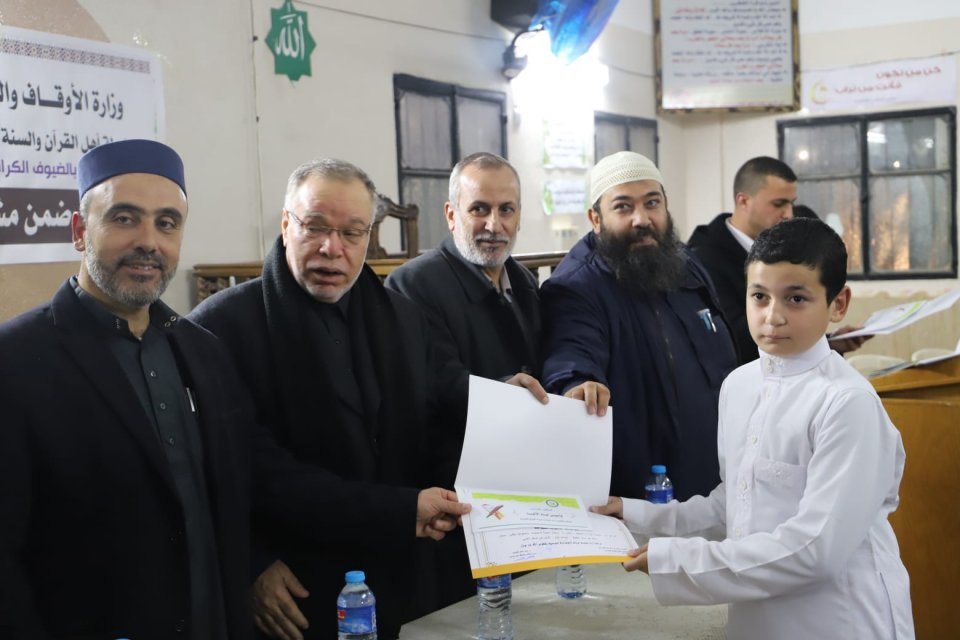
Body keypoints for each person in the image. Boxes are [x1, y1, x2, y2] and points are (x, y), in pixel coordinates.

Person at [0, 140, 468, 640]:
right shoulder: (17, 360)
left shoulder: (194, 349)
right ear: (79, 231)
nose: (148, 242)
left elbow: (232, 479)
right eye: (124, 219)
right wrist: (254, 565)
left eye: (166, 223)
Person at [190, 158, 517, 640]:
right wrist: (250, 564)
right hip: (295, 589)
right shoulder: (219, 328)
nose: (332, 248)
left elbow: (436, 414)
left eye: (351, 232)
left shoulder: (401, 318)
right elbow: (243, 472)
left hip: (398, 572)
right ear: (286, 224)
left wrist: (506, 411)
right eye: (315, 227)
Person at [594, 217, 915, 640]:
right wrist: (633, 515)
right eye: (759, 296)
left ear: (838, 304)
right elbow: (733, 506)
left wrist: (678, 560)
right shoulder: (739, 385)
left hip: (841, 619)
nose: (772, 317)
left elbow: (815, 550)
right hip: (758, 620)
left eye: (796, 298)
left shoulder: (847, 403)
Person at [540, 151, 737, 501]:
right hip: (642, 498)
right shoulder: (577, 287)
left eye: (652, 203)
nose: (641, 219)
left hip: (715, 483)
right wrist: (576, 383)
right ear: (595, 218)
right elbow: (571, 354)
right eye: (623, 207)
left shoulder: (686, 265)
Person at [687, 156, 798, 364]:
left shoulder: (778, 252)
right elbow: (733, 339)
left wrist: (830, 342)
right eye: (778, 204)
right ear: (743, 201)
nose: (788, 215)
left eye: (791, 204)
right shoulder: (705, 260)